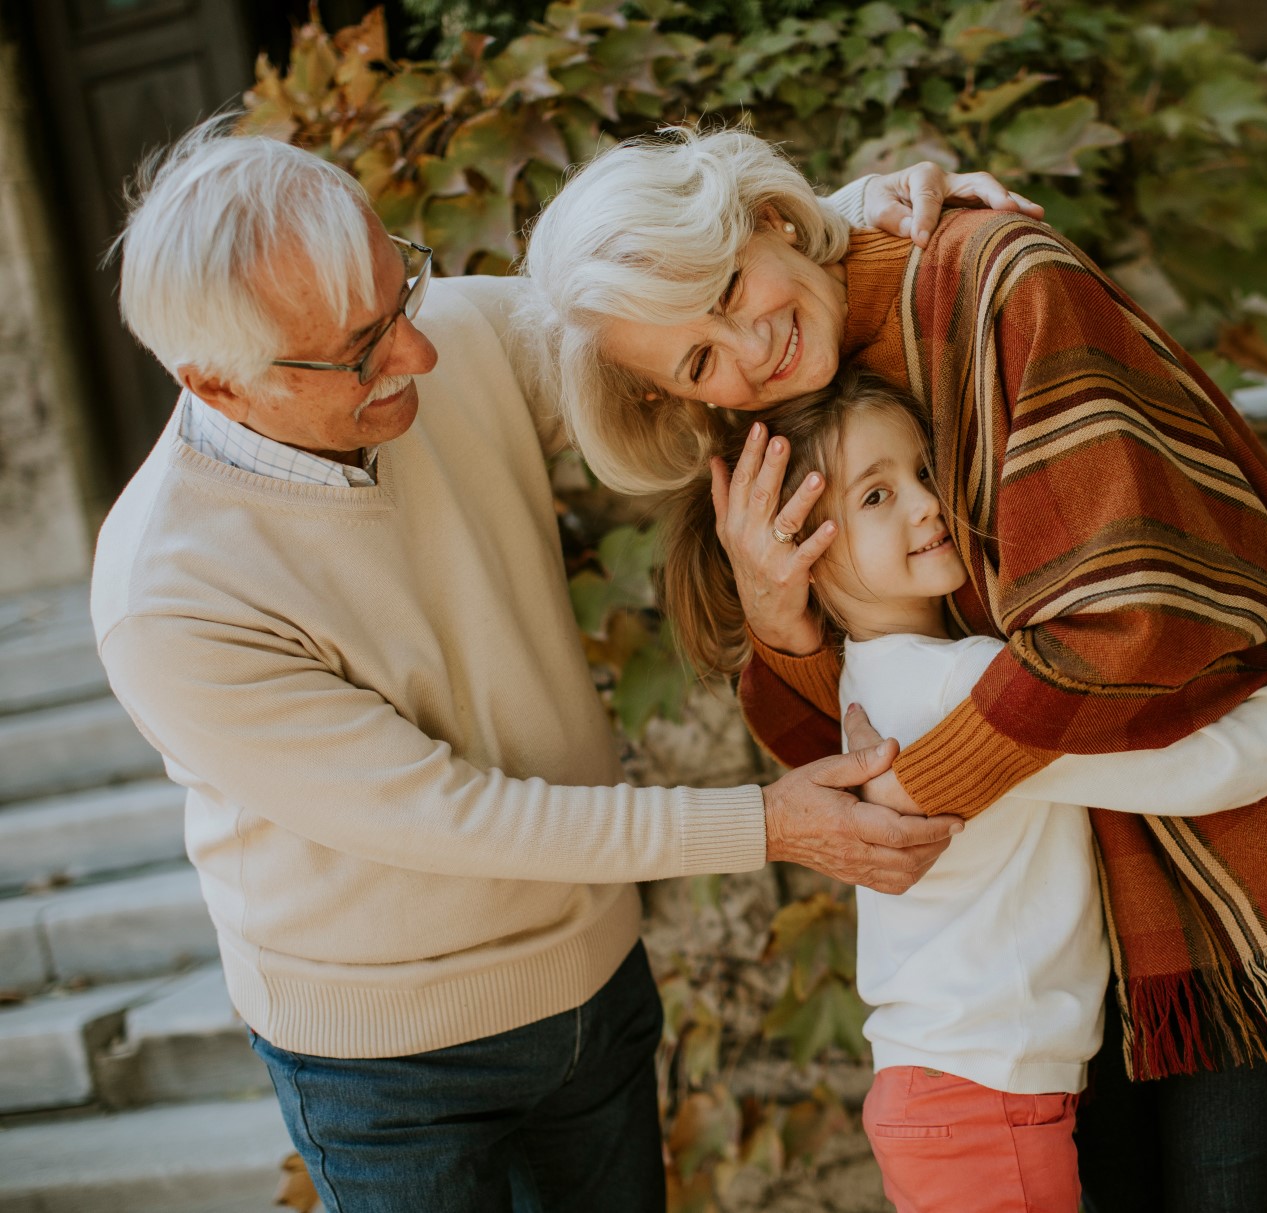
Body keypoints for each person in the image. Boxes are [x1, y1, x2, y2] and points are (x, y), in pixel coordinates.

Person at [522, 126, 1267, 1213]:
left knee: (1227, 1189)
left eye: (727, 287)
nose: (746, 345)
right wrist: (780, 621)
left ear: (771, 218)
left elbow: (1123, 633)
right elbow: (846, 748)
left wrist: (929, 776)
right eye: (695, 360)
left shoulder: (1000, 281)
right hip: (1047, 934)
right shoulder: (787, 426)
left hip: (1219, 854)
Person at [91, 117, 1037, 1213]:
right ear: (218, 383)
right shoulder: (165, 597)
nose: (423, 352)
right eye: (363, 349)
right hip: (388, 1068)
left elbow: (652, 311)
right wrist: (770, 825)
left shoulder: (433, 342)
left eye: (402, 286)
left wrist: (844, 215)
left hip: (592, 990)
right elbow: (453, 817)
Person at [657, 368, 1267, 1213]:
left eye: (924, 471)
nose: (928, 503)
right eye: (877, 496)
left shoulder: (868, 677)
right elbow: (1197, 769)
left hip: (945, 1090)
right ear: (802, 556)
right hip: (983, 1102)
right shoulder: (969, 687)